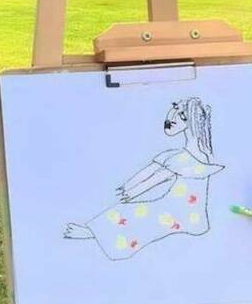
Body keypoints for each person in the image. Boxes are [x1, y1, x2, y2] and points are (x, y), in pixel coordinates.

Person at [64, 97, 225, 261]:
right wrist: (127, 187)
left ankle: (92, 233)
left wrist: (133, 192)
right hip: (172, 206)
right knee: (139, 211)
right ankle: (94, 232)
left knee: (138, 214)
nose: (172, 119)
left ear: (191, 122)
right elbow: (153, 170)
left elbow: (161, 176)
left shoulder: (193, 157)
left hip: (187, 214)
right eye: (174, 111)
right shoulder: (177, 155)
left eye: (182, 116)